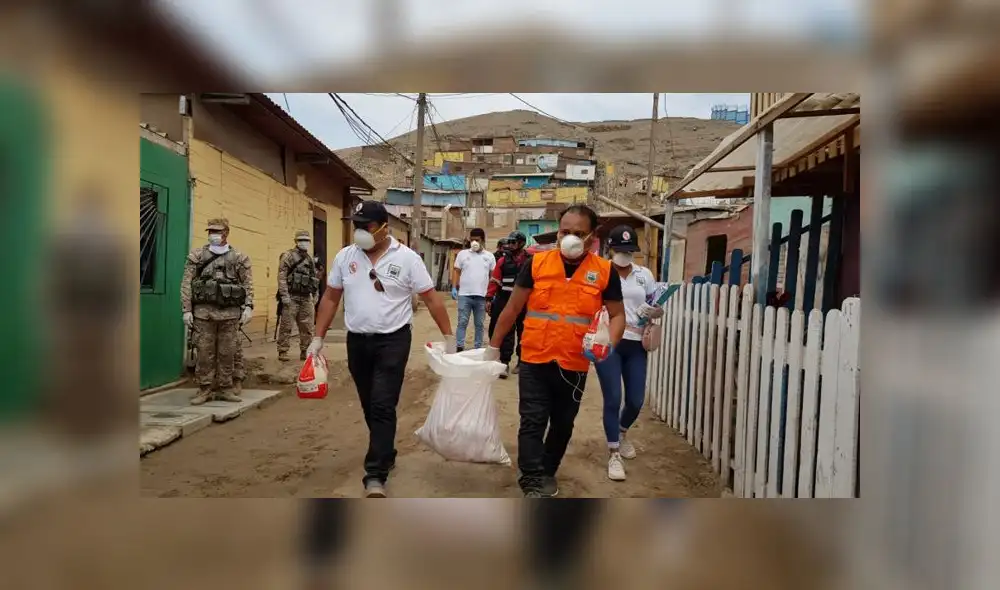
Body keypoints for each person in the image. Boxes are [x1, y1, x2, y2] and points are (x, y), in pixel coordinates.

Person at [307, 200, 455, 498]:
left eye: (368, 226)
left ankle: (375, 473)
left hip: (393, 340)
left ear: (384, 228)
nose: (361, 231)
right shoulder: (345, 257)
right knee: (368, 403)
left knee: (382, 404)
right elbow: (331, 297)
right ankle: (385, 451)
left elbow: (431, 298)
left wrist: (449, 337)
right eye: (357, 226)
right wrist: (317, 336)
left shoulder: (408, 259)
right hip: (357, 341)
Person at [488, 205, 626, 497]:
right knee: (532, 420)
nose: (570, 238)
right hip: (535, 356)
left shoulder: (604, 271)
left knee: (563, 423)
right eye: (565, 232)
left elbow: (617, 315)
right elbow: (513, 308)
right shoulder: (537, 264)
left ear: (592, 236)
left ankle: (548, 470)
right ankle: (532, 480)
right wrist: (494, 346)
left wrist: (608, 345)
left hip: (575, 362)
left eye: (578, 233)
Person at [594, 225, 664, 482]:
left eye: (630, 250)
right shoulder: (601, 271)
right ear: (611, 249)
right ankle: (613, 453)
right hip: (609, 341)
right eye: (621, 250)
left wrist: (656, 311)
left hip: (636, 343)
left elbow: (654, 301)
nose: (625, 255)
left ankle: (622, 433)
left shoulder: (644, 274)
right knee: (613, 397)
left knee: (635, 399)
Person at [181, 218, 254, 405]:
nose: (213, 234)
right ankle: (204, 388)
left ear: (226, 233)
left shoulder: (239, 257)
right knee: (204, 352)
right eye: (210, 231)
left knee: (227, 352)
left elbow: (247, 284)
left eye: (217, 231)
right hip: (203, 314)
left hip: (230, 314)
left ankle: (225, 388)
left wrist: (248, 307)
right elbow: (186, 284)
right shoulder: (197, 256)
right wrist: (186, 310)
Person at [487, 230, 529, 379]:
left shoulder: (530, 260)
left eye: (513, 242)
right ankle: (504, 363)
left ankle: (522, 362)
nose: (510, 245)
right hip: (505, 300)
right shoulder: (502, 261)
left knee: (524, 332)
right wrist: (489, 298)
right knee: (506, 333)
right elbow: (494, 281)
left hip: (526, 302)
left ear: (521, 243)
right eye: (509, 242)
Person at [450, 227, 496, 351]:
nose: (474, 242)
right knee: (462, 322)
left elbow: (493, 276)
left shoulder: (490, 256)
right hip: (464, 295)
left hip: (482, 296)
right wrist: (454, 287)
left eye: (477, 240)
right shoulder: (462, 254)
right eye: (472, 240)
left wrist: (492, 293)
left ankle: (477, 348)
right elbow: (456, 271)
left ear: (483, 240)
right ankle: (460, 346)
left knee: (479, 324)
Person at [277, 230, 320, 362]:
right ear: (296, 241)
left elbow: (314, 278)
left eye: (306, 240)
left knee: (307, 327)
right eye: (301, 240)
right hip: (291, 296)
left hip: (306, 297)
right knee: (286, 325)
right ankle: (283, 351)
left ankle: (305, 350)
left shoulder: (309, 259)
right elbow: (282, 277)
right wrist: (284, 295)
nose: (304, 243)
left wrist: (315, 294)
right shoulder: (288, 256)